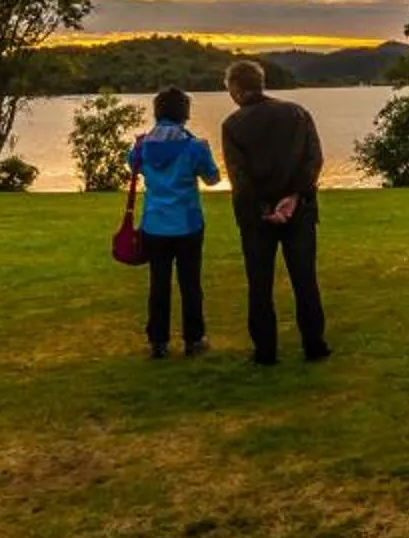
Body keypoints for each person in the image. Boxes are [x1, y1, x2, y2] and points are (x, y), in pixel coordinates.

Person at [219, 59, 328, 365]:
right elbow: (314, 159)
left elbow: (238, 176)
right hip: (300, 211)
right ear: (261, 82)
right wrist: (294, 197)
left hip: (256, 217)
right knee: (305, 278)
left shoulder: (233, 125)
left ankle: (265, 350)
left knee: (260, 283)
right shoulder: (297, 114)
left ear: (236, 89)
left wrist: (265, 208)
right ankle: (314, 344)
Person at [127, 88, 219, 359]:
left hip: (154, 224)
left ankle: (158, 341)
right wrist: (206, 152)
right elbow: (212, 178)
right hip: (188, 224)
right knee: (190, 283)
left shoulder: (143, 146)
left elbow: (133, 165)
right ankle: (194, 339)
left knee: (158, 283)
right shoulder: (192, 147)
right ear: (185, 113)